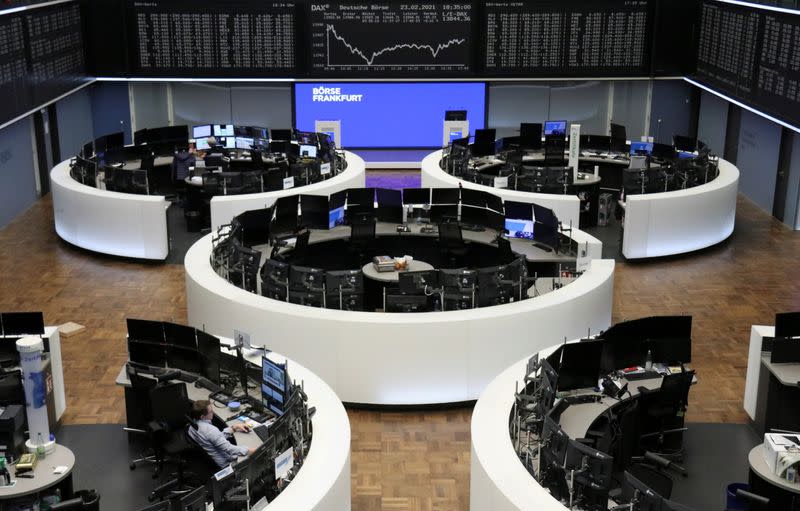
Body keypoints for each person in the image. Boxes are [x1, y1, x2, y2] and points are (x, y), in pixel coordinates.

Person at [188, 399, 256, 468]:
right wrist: (249, 450)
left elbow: (216, 438)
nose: (213, 412)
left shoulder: (192, 425)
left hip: (214, 457)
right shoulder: (210, 431)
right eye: (211, 412)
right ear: (202, 417)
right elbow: (229, 449)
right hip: (228, 464)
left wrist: (234, 428)